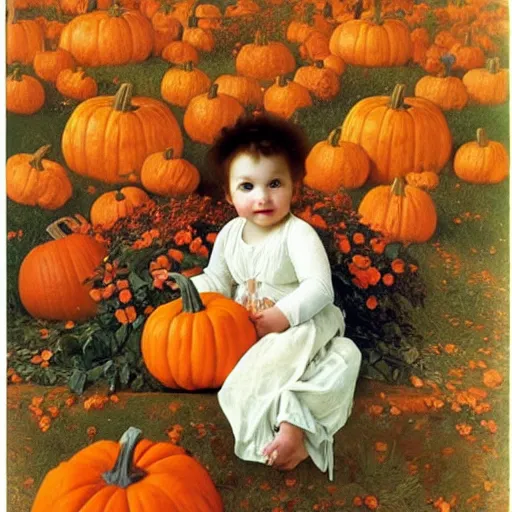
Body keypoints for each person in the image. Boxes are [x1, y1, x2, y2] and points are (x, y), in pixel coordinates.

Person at [190, 113, 362, 480]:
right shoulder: (230, 234)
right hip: (249, 333)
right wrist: (188, 289)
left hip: (299, 325)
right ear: (228, 193)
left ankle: (293, 426)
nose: (263, 197)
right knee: (269, 367)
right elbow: (218, 279)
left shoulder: (297, 234)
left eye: (274, 184)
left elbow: (319, 287)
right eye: (247, 187)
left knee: (346, 356)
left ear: (294, 189)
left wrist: (282, 315)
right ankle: (293, 420)